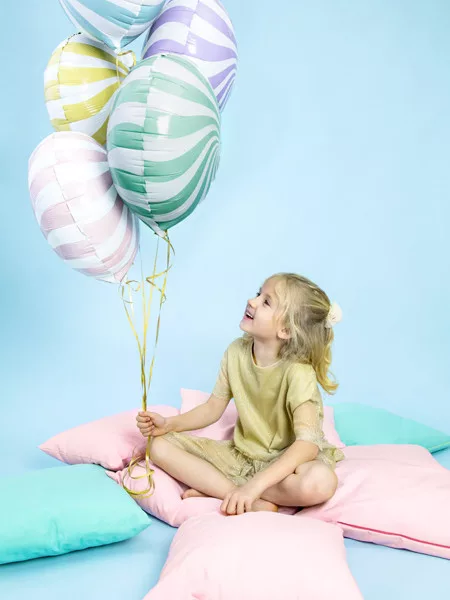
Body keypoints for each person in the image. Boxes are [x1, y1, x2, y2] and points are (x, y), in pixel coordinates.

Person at [136, 273, 344, 515]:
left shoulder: (298, 373)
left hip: (287, 463)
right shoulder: (236, 352)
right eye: (258, 294)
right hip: (242, 457)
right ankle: (241, 497)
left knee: (320, 482)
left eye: (266, 302)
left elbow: (307, 445)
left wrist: (255, 486)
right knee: (157, 446)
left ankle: (226, 489)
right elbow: (212, 408)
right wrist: (169, 424)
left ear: (286, 329)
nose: (252, 301)